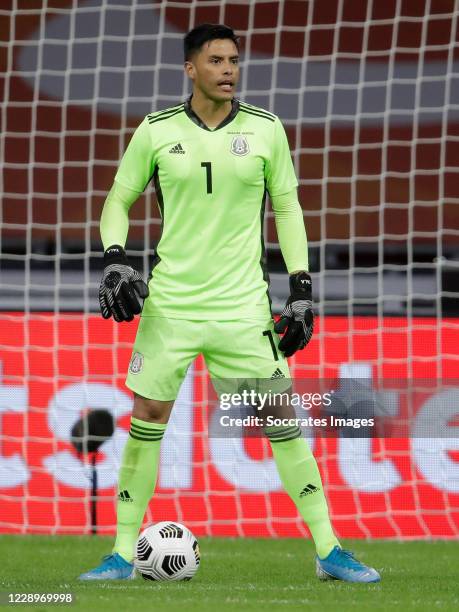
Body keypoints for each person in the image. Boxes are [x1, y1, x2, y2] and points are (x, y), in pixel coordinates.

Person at [78, 23, 380, 583]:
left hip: (243, 307)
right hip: (171, 305)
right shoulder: (157, 130)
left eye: (234, 60)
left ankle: (329, 549)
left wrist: (302, 290)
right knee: (147, 417)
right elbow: (117, 199)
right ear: (190, 68)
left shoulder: (266, 129)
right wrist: (115, 258)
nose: (228, 69)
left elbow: (288, 211)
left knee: (279, 420)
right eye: (215, 60)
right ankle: (122, 553)